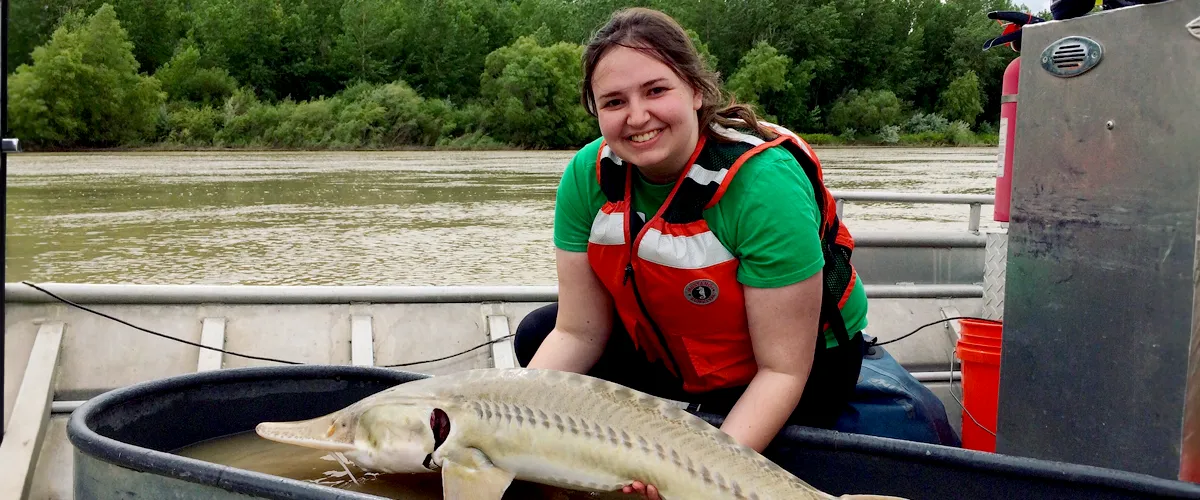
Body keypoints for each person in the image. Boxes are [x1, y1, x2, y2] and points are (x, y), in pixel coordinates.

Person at [514, 7, 869, 498]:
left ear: (696, 91)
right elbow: (578, 332)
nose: (638, 116)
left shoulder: (763, 186)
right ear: (596, 111)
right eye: (614, 101)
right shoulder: (586, 177)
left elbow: (781, 370)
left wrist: (689, 475)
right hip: (678, 352)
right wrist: (505, 418)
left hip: (791, 368)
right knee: (537, 333)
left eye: (656, 90)